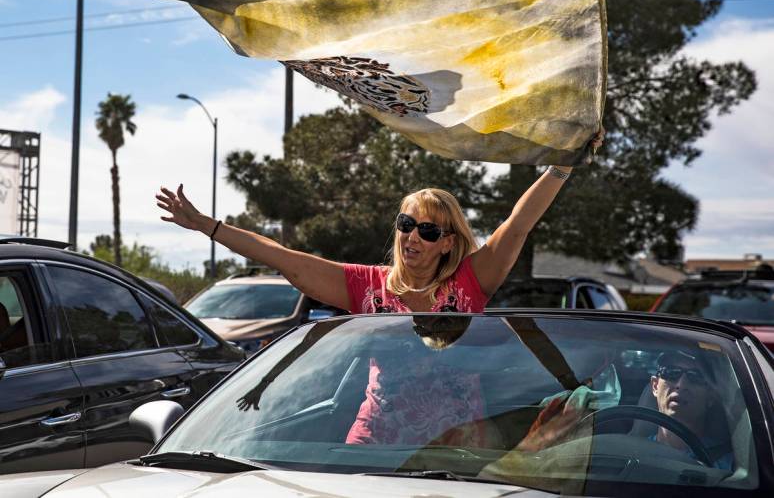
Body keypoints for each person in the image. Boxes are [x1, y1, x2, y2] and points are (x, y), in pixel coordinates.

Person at [156, 130, 604, 446]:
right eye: (407, 225)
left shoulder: (471, 281)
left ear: (448, 243)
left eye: (428, 231)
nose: (413, 237)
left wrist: (563, 166)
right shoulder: (366, 287)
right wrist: (207, 226)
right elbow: (284, 259)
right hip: (374, 444)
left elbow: (518, 224)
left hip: (460, 447)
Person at [649, 350, 734, 470]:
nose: (681, 385)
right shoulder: (631, 452)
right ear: (655, 386)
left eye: (696, 377)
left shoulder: (729, 466)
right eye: (672, 373)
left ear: (711, 396)